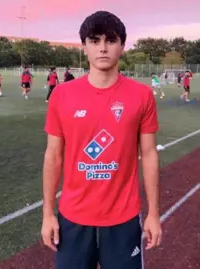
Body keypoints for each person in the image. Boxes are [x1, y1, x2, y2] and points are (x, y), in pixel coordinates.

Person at [42, 10, 162, 269]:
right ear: (84, 47)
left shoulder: (142, 95)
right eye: (95, 41)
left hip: (124, 218)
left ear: (122, 45)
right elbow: (53, 155)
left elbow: (149, 154)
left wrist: (153, 213)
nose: (103, 48)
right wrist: (47, 213)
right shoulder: (62, 95)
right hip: (73, 218)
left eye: (111, 40)